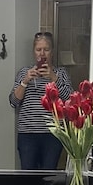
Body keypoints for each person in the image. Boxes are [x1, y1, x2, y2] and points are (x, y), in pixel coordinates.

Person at [9, 31, 73, 170]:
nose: (42, 53)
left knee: (49, 176)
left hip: (53, 135)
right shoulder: (23, 73)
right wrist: (25, 81)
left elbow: (70, 100)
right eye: (38, 49)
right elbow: (13, 102)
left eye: (46, 49)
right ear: (34, 52)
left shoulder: (60, 73)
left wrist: (53, 78)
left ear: (52, 52)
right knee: (28, 177)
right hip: (27, 134)